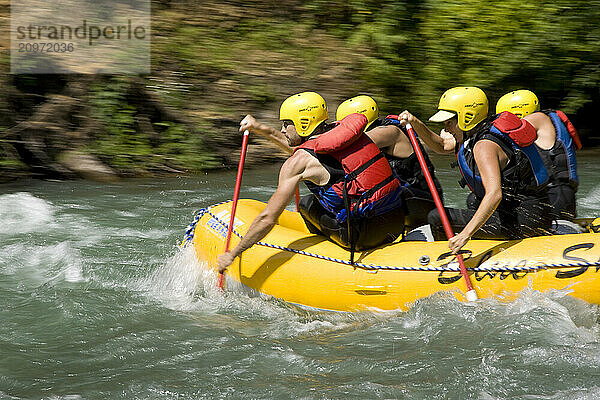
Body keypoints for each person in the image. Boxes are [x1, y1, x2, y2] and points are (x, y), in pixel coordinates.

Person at [217, 92, 406, 273]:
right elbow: (305, 148)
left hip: (364, 236)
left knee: (306, 204)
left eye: (286, 124)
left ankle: (325, 258)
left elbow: (268, 218)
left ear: (303, 123)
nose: (283, 129)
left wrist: (233, 254)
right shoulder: (346, 134)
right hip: (397, 220)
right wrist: (261, 128)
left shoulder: (298, 163)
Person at [398, 86, 552, 253]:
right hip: (532, 210)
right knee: (473, 200)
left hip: (524, 220)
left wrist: (465, 234)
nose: (446, 128)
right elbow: (442, 145)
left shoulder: (483, 146)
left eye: (449, 122)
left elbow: (494, 194)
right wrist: (415, 122)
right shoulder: (477, 133)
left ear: (467, 118)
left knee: (436, 217)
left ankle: (447, 260)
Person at [335, 95, 443, 230]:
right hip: (409, 200)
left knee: (388, 192)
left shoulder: (389, 132)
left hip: (425, 200)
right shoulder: (379, 130)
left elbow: (345, 145)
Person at [496, 90, 581, 221]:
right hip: (560, 196)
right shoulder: (545, 121)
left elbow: (497, 135)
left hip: (555, 197)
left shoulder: (537, 119)